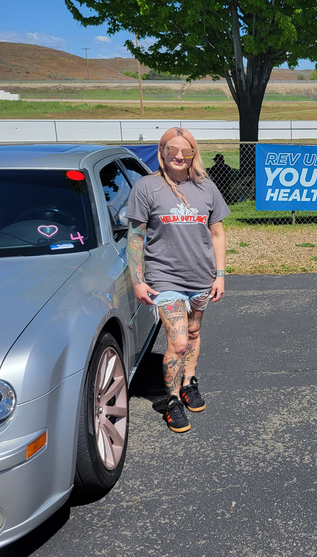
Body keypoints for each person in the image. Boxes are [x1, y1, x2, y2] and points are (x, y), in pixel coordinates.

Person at [126, 127, 231, 433]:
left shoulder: (207, 188)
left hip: (201, 276)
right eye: (172, 150)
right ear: (162, 152)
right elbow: (135, 237)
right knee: (179, 340)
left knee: (194, 332)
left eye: (186, 151)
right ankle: (172, 400)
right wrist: (138, 280)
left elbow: (217, 234)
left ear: (194, 154)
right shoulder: (147, 188)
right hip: (164, 278)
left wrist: (220, 275)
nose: (179, 157)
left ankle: (189, 382)